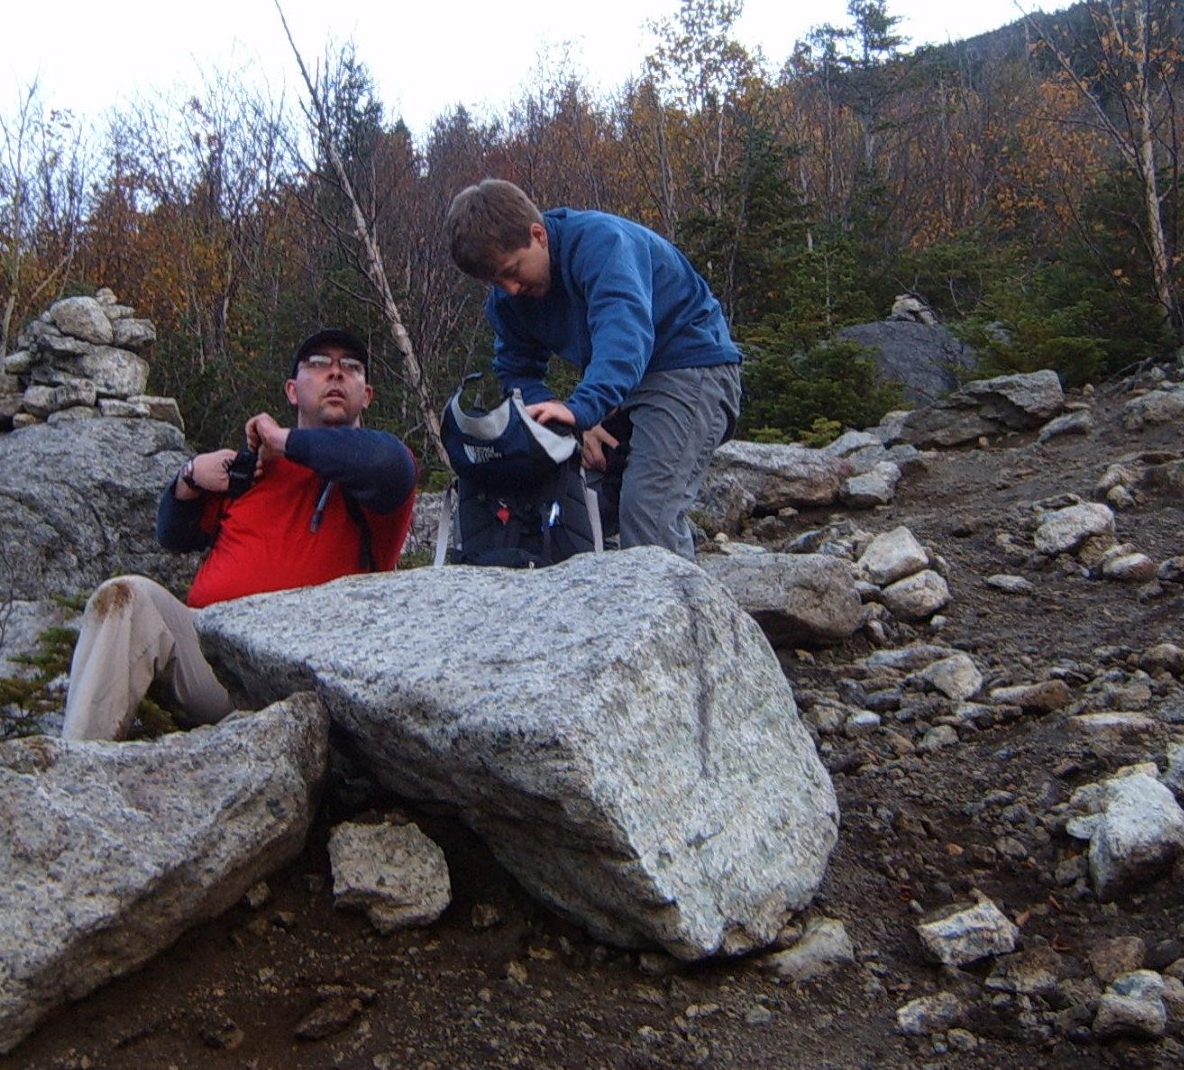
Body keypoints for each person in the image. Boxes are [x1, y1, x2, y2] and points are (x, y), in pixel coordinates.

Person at [61, 328, 417, 740]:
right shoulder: (253, 473)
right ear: (291, 390)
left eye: (350, 367)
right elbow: (173, 534)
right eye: (319, 364)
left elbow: (392, 466)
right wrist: (189, 477)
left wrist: (284, 440)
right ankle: (77, 765)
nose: (335, 373)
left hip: (311, 680)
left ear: (367, 395)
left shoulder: (375, 477)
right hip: (216, 666)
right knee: (127, 596)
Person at [446, 179, 740, 560]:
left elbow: (624, 329)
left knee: (648, 510)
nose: (511, 288)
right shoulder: (507, 301)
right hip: (625, 388)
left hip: (691, 369)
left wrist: (585, 408)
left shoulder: (601, 243)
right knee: (569, 500)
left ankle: (681, 616)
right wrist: (561, 421)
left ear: (538, 235)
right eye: (496, 281)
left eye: (513, 270)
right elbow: (516, 370)